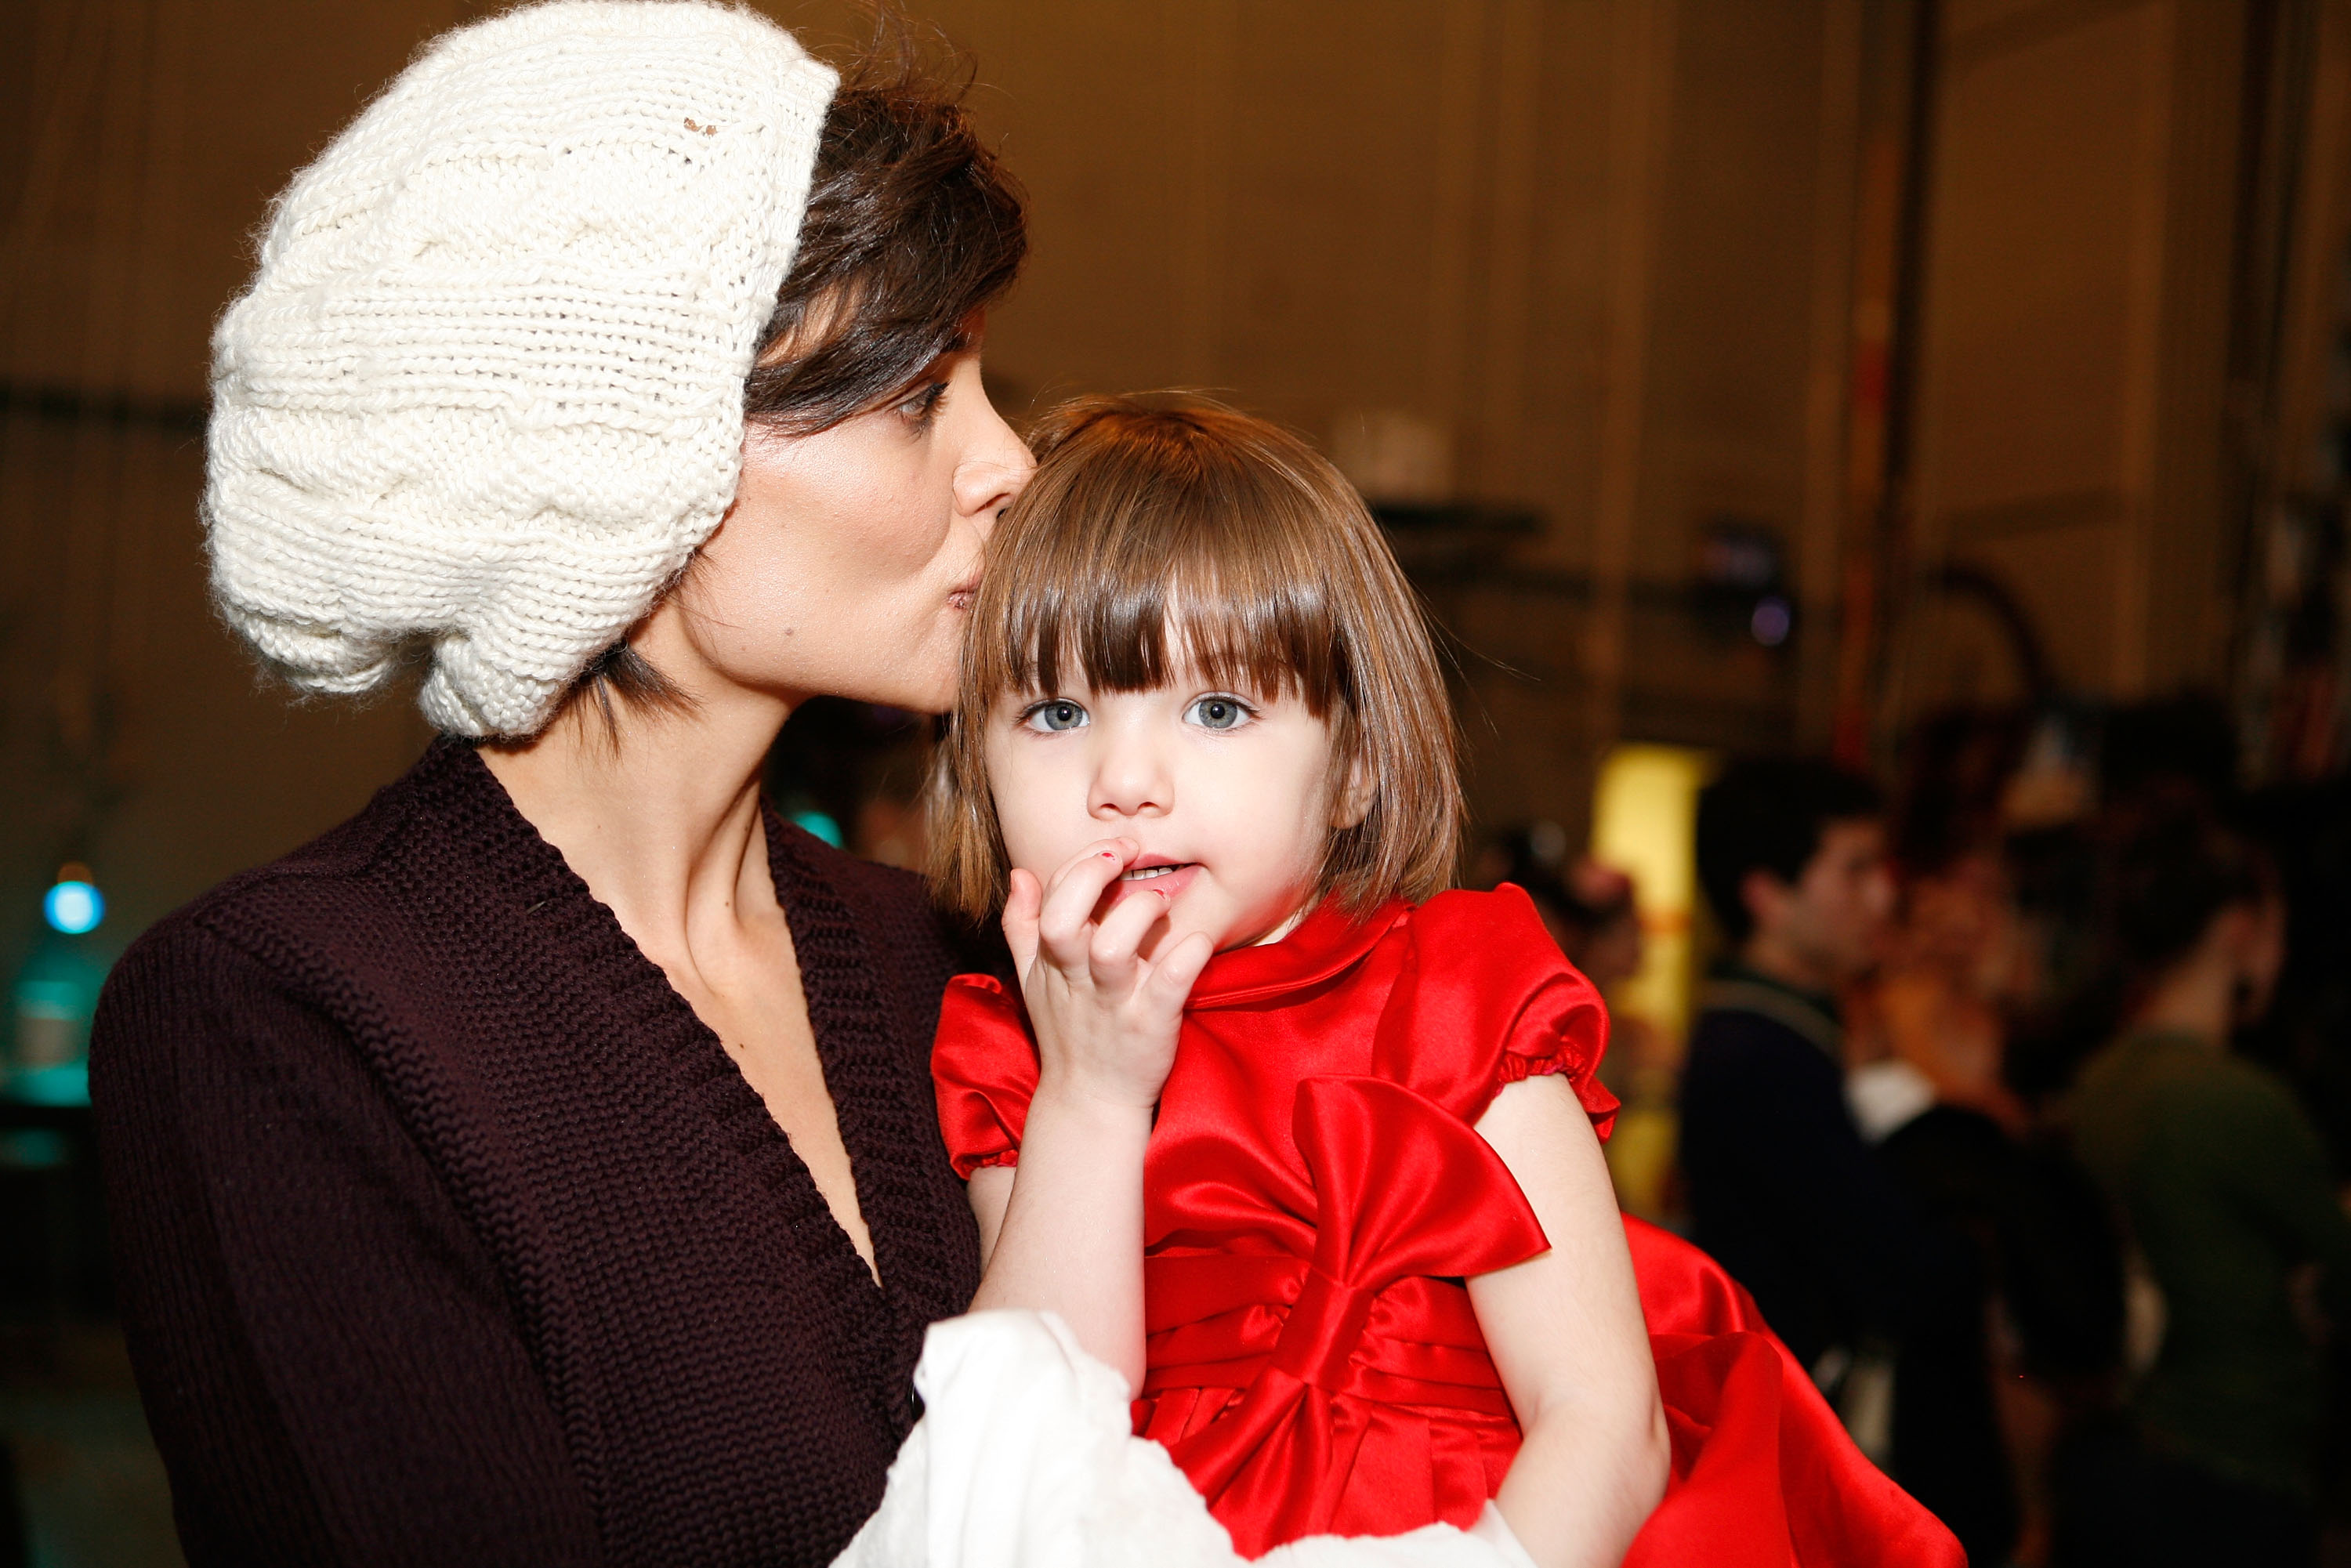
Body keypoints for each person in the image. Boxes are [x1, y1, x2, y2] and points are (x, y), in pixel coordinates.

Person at [87, 5, 1031, 1563]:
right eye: (922, 396)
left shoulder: (953, 956)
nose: (1009, 465)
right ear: (623, 453)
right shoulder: (283, 1020)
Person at [926, 397, 1962, 1566]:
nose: (1124, 779)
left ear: (1358, 765)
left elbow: (1604, 1424)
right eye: (1057, 712)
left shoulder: (1456, 989)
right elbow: (1027, 1446)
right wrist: (1093, 1095)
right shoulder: (1014, 1039)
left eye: (1216, 709)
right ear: (975, 760)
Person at [2066, 798, 2351, 1567]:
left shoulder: (2095, 1082)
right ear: (2240, 933)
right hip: (2234, 1461)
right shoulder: (2236, 1100)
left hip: (2117, 1449)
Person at [1679, 760, 1918, 1392]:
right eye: (1855, 870)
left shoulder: (1794, 1025)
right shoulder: (1758, 1053)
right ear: (1767, 896)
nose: (1884, 895)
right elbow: (1887, 1256)